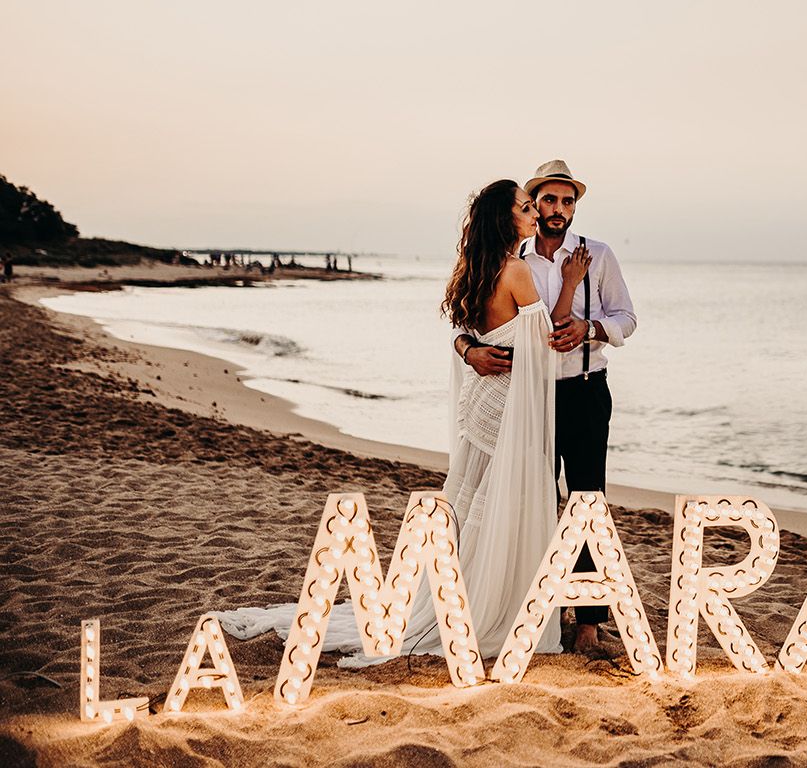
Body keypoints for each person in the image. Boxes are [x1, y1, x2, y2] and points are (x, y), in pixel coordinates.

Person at [216, 179, 588, 660]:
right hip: (506, 407)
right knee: (505, 504)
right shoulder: (516, 270)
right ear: (506, 218)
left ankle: (463, 595)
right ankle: (493, 605)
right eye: (526, 207)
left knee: (476, 501)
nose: (535, 213)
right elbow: (545, 339)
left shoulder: (473, 268)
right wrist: (573, 284)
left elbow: (464, 332)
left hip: (481, 400)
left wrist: (469, 349)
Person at [455, 160, 637, 652]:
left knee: (587, 503)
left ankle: (588, 624)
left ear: (575, 206)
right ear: (534, 204)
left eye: (568, 201)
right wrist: (468, 349)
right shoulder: (515, 257)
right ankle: (533, 611)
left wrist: (593, 328)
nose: (558, 210)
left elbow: (627, 317)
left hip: (584, 391)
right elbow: (476, 322)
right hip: (528, 400)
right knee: (528, 501)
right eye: (548, 201)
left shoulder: (598, 255)